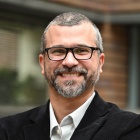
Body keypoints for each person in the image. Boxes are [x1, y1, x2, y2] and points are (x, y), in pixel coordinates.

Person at [0, 12, 140, 140]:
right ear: (42, 63)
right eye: (58, 51)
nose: (69, 62)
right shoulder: (7, 130)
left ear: (100, 62)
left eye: (81, 50)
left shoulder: (131, 129)